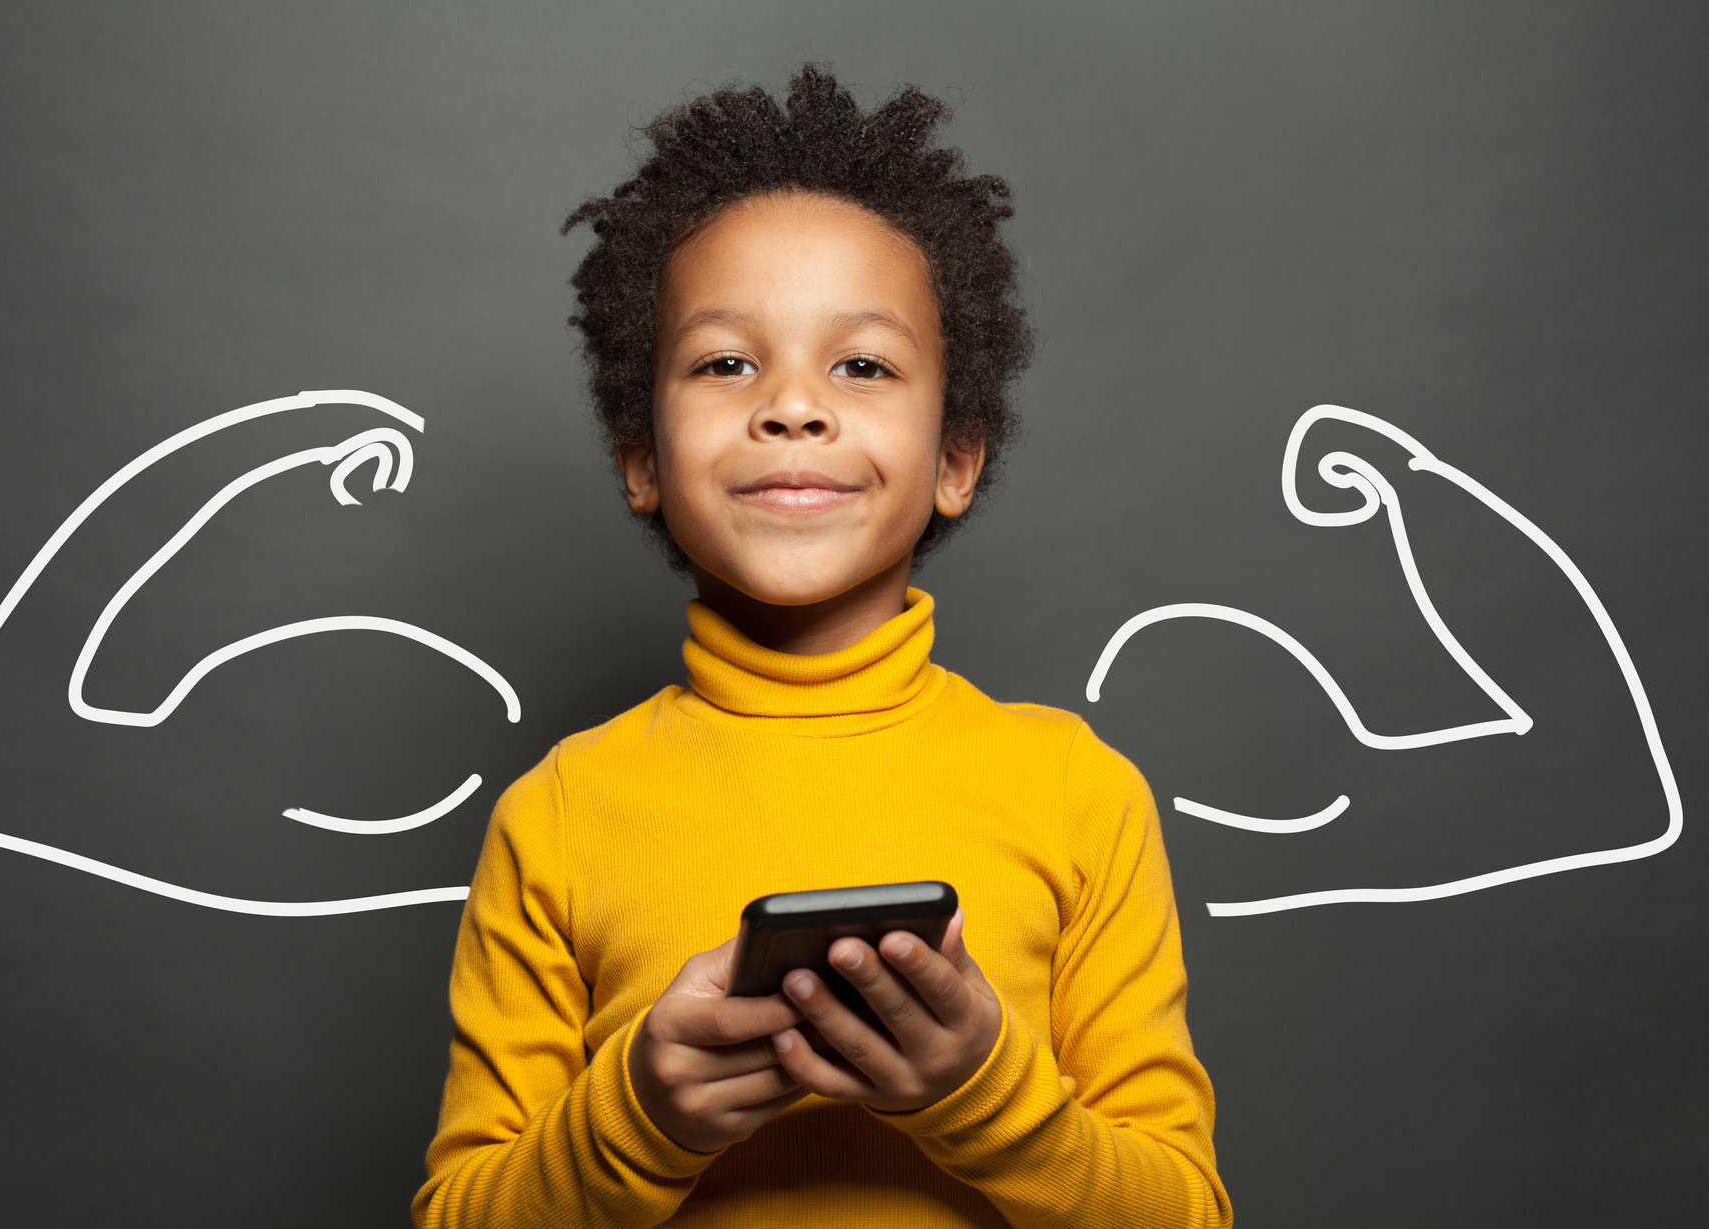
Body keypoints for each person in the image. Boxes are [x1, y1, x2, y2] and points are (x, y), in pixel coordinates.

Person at [413, 64, 1231, 1229]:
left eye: (861, 364)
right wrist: (640, 1113)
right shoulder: (554, 816)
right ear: (639, 458)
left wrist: (980, 1092)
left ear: (955, 458)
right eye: (723, 362)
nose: (792, 406)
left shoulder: (1077, 795)